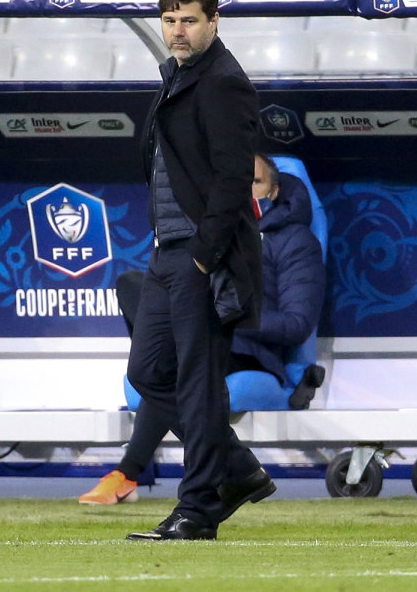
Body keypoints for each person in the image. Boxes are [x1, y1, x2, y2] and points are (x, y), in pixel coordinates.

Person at [80, 153, 326, 506]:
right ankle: (170, 468)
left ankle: (128, 471)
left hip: (249, 356)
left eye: (253, 182)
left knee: (171, 369)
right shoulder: (210, 237)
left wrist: (227, 316)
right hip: (199, 341)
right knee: (134, 283)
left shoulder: (295, 241)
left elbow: (297, 324)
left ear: (273, 192)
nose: (243, 190)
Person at [123, 0, 274, 541]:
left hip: (200, 257)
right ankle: (236, 471)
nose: (177, 31)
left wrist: (205, 260)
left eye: (189, 20)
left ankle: (198, 508)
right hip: (167, 250)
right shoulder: (178, 77)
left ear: (214, 22)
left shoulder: (223, 83)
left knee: (198, 383)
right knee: (148, 372)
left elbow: (235, 180)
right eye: (169, 20)